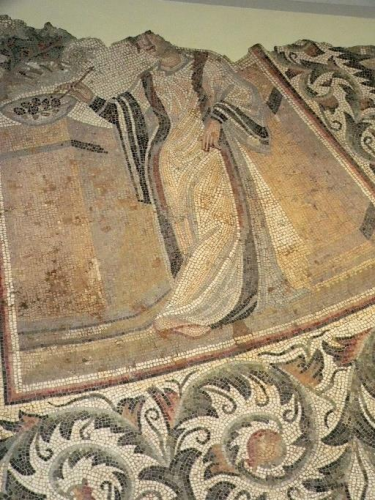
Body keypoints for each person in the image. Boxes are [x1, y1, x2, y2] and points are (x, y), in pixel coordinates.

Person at [59, 31, 287, 338]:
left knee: (225, 225)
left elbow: (241, 93)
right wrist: (91, 99)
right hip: (169, 160)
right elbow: (125, 113)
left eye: (148, 36)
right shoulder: (146, 80)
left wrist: (217, 117)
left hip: (208, 149)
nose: (146, 45)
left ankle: (190, 308)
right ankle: (196, 312)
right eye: (138, 42)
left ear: (165, 31)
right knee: (188, 236)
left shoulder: (208, 63)